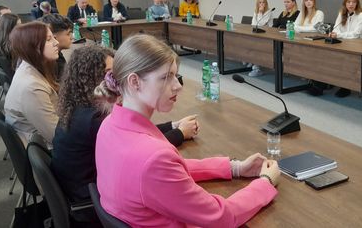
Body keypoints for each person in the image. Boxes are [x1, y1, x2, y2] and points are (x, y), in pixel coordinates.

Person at [95, 34, 279, 227]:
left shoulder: (108, 125)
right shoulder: (153, 159)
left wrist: (235, 167)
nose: (178, 86)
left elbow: (171, 172)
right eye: (166, 77)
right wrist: (265, 183)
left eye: (175, 76)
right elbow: (222, 217)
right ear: (134, 82)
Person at [52, 45, 199, 221]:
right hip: (87, 204)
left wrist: (173, 125)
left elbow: (136, 133)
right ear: (90, 77)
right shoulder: (95, 119)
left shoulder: (79, 107)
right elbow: (142, 152)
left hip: (81, 191)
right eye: (109, 73)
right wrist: (180, 133)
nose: (116, 78)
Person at [4, 22, 59, 146]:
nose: (56, 43)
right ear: (32, 47)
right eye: (49, 40)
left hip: (38, 139)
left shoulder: (28, 66)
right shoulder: (32, 87)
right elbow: (55, 135)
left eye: (54, 38)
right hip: (43, 147)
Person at [329, 0, 362, 97]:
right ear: (345, 3)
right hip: (343, 44)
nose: (351, 4)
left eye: (354, 2)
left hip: (358, 47)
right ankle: (326, 81)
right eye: (348, 2)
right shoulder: (342, 13)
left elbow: (356, 34)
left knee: (346, 58)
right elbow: (336, 29)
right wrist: (335, 34)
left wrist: (338, 35)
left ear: (357, 3)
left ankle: (346, 87)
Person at [40, 14, 74, 80]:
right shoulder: (50, 63)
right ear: (53, 36)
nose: (72, 37)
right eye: (68, 33)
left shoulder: (58, 55)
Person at [249, 0, 273, 77]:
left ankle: (256, 68)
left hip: (268, 35)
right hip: (258, 34)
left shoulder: (269, 12)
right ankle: (250, 59)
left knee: (256, 44)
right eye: (260, 2)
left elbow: (261, 23)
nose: (261, 4)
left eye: (263, 2)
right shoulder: (255, 11)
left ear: (266, 3)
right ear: (257, 4)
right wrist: (258, 13)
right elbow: (253, 24)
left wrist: (260, 12)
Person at [0, 13, 21, 80]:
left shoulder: (1, 41)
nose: (21, 27)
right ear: (9, 28)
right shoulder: (11, 46)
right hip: (18, 77)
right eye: (18, 25)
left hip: (13, 76)